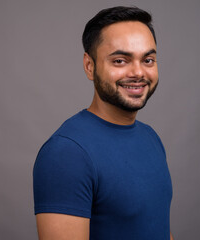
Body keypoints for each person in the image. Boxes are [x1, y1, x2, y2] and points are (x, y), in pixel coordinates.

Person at [33, 6, 174, 240]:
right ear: (90, 66)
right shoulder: (66, 153)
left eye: (148, 59)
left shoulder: (151, 138)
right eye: (120, 60)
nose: (138, 72)